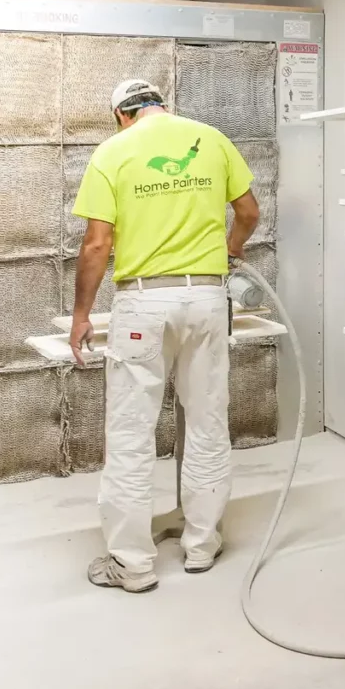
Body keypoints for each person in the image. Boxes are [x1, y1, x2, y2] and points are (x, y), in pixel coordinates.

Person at [70, 79, 260, 594]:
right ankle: (202, 545)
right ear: (160, 106)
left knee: (131, 436)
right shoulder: (212, 139)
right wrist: (230, 249)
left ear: (121, 115)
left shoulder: (113, 152)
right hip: (206, 299)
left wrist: (81, 315)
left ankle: (131, 565)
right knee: (206, 421)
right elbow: (248, 213)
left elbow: (96, 245)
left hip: (142, 303)